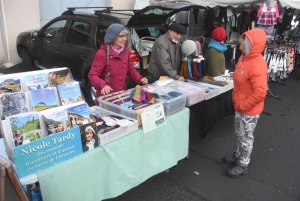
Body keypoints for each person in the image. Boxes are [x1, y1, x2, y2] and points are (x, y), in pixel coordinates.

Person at [223, 29, 268, 178]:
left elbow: (260, 93)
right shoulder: (244, 58)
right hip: (240, 105)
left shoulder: (257, 64)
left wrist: (243, 105)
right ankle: (238, 156)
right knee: (239, 133)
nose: (240, 41)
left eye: (243, 39)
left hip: (249, 110)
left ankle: (243, 164)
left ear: (250, 43)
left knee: (246, 137)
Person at [88, 24, 148, 96]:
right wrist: (103, 85)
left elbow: (130, 69)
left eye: (125, 36)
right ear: (112, 38)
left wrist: (140, 79)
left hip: (121, 94)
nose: (125, 39)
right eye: (121, 36)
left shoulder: (126, 51)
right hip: (106, 96)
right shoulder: (102, 54)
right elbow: (92, 75)